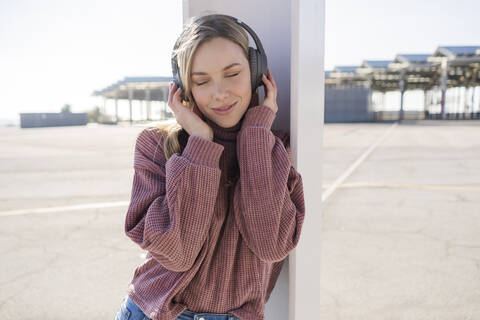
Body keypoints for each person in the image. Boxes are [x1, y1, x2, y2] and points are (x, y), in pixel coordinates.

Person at [114, 13, 306, 320]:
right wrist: (200, 145)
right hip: (156, 312)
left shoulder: (274, 150)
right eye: (201, 81)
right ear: (183, 87)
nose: (219, 93)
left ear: (258, 73)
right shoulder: (157, 146)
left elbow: (271, 245)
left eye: (232, 74)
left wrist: (256, 136)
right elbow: (178, 253)